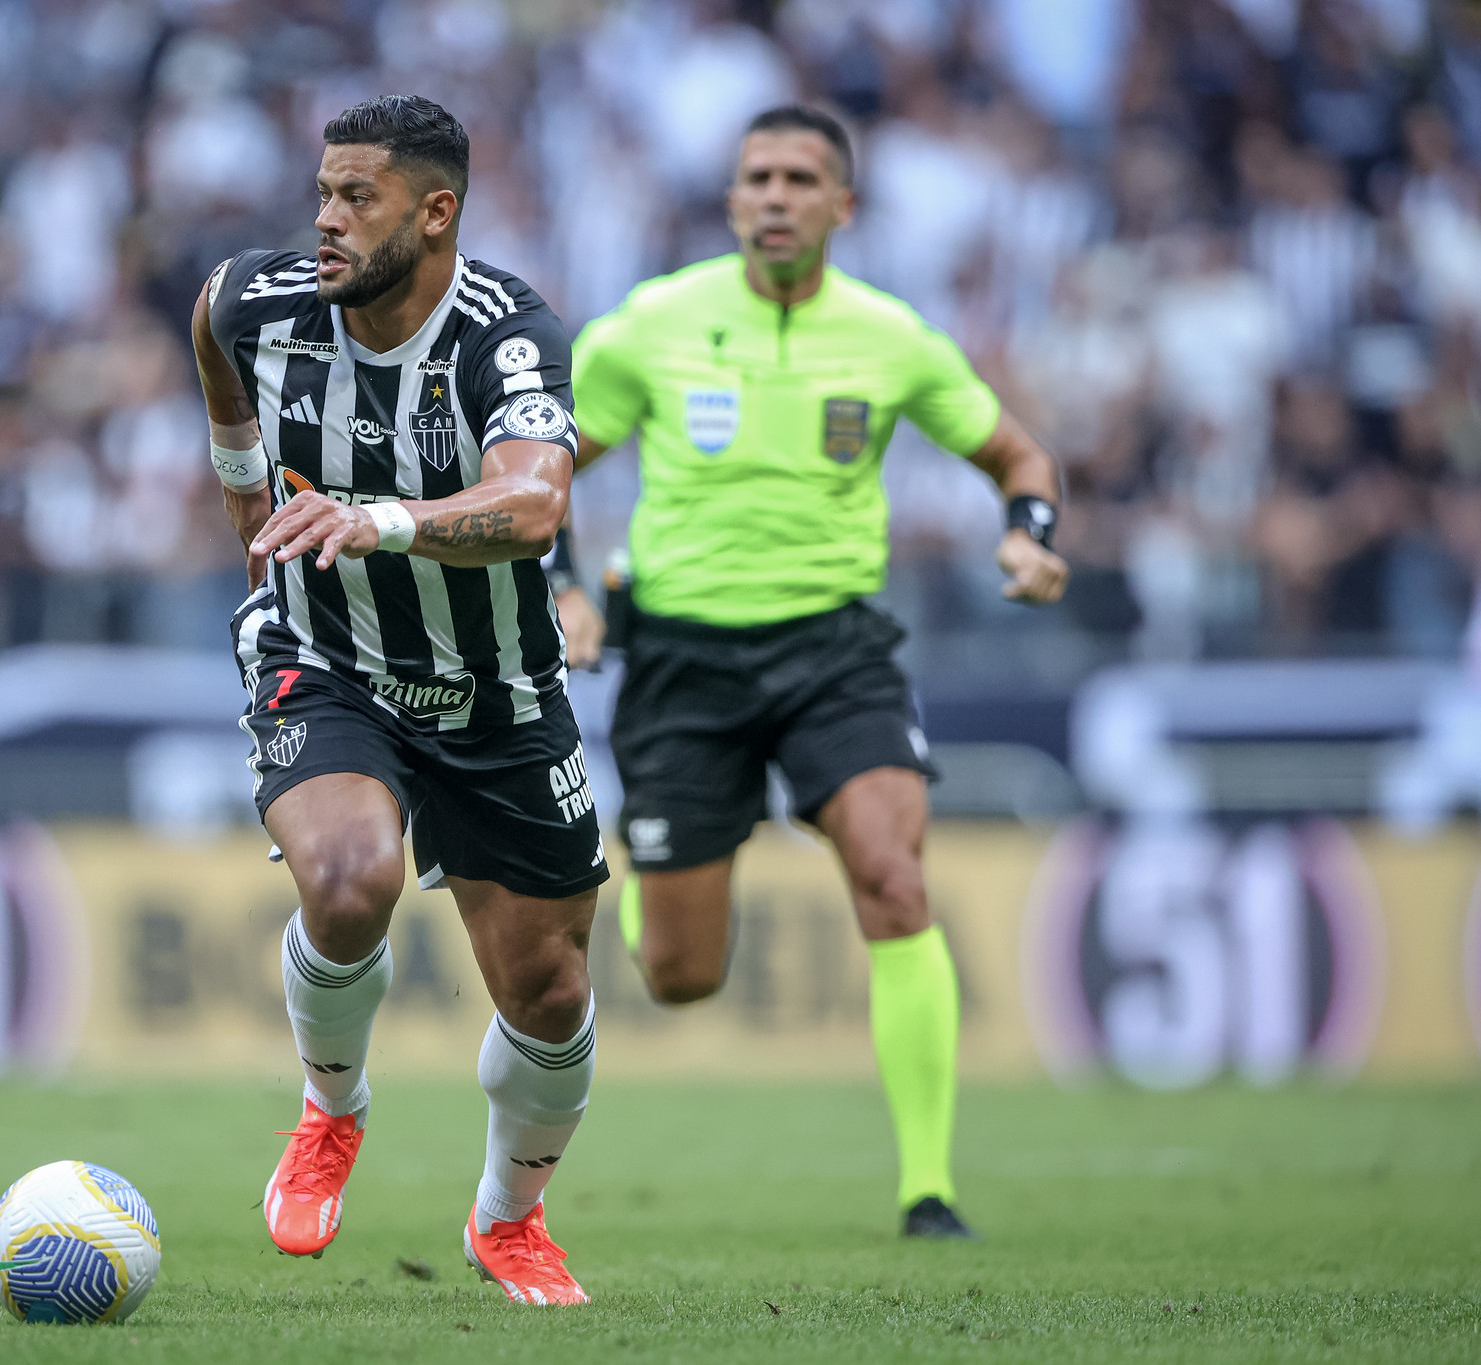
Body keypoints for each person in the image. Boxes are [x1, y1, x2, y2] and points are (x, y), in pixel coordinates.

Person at [562, 105, 1070, 1239]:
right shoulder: (653, 323)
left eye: (800, 178)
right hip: (682, 662)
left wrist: (1030, 532)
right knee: (679, 977)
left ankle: (927, 1192)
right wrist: (564, 582)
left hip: (832, 650)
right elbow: (539, 462)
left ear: (842, 206)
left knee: (892, 877)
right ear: (732, 200)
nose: (776, 195)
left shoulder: (889, 338)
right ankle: (652, 874)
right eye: (757, 177)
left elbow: (1015, 456)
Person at [190, 95, 606, 1304]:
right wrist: (234, 470)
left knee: (550, 991)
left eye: (353, 197)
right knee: (347, 877)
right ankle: (330, 1112)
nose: (322, 219)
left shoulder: (506, 334)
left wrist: (377, 522)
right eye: (320, 191)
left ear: (435, 213)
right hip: (326, 657)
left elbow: (533, 507)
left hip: (497, 690)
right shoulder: (262, 300)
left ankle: (505, 1220)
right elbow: (210, 316)